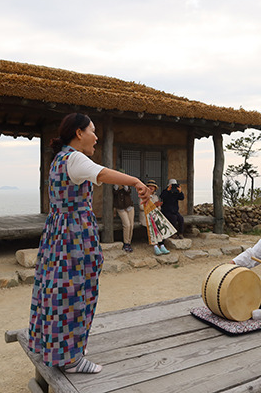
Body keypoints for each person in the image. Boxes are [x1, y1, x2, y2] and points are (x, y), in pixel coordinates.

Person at [28, 113, 149, 374]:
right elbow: (102, 174)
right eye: (92, 131)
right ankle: (71, 358)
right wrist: (136, 181)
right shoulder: (75, 157)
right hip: (75, 233)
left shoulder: (59, 158)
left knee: (53, 288)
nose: (96, 136)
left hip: (57, 231)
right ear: (79, 133)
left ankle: (50, 345)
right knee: (77, 290)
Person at [139, 180, 170, 255]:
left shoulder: (155, 197)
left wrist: (157, 205)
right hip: (146, 216)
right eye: (149, 186)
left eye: (152, 187)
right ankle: (155, 246)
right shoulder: (143, 196)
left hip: (154, 216)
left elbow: (158, 208)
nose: (151, 188)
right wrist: (154, 205)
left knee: (160, 226)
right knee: (153, 227)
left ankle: (162, 245)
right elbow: (141, 207)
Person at [113, 182, 135, 252]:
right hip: (120, 208)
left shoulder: (126, 185)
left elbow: (128, 191)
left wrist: (124, 183)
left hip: (129, 207)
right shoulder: (115, 185)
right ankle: (126, 243)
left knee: (131, 225)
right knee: (127, 225)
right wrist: (117, 183)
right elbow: (115, 192)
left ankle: (129, 242)